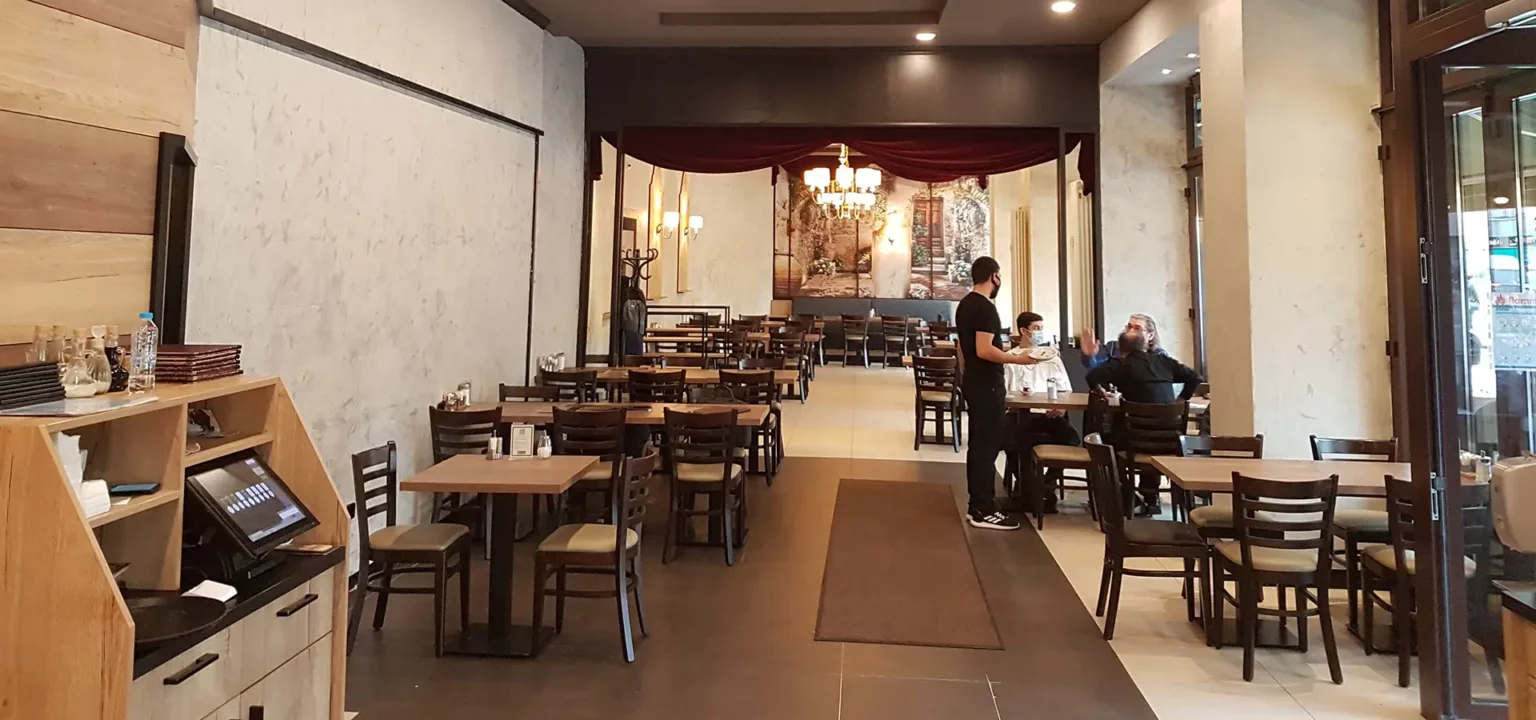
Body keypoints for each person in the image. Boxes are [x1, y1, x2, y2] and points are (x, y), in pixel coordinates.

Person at [956, 257, 1040, 531]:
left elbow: (963, 349)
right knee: (986, 446)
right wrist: (1018, 359)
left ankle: (978, 505)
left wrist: (966, 376)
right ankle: (983, 509)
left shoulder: (965, 304)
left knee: (979, 445)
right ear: (994, 276)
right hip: (987, 384)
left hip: (975, 381)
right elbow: (984, 349)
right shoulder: (985, 308)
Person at [1086, 328, 1203, 515]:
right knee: (1150, 435)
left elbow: (1092, 377)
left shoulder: (1121, 365)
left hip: (1133, 441)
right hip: (1170, 440)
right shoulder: (1164, 362)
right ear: (1146, 345)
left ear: (1121, 349)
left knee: (1106, 442)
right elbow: (1195, 377)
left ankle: (1127, 496)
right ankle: (1151, 497)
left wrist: (1101, 392)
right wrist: (1182, 398)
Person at [1004, 311, 1080, 514]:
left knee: (1071, 439)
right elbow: (1005, 393)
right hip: (1020, 414)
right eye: (1036, 328)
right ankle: (1027, 488)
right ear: (1024, 331)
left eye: (1041, 328)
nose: (1040, 332)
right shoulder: (1011, 359)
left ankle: (1046, 485)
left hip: (1049, 415)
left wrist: (1061, 407)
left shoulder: (1052, 358)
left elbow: (1066, 390)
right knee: (1011, 440)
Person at [1078, 313, 1166, 369]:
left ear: (1150, 335)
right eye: (1129, 327)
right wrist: (1090, 356)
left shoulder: (1158, 355)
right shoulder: (1112, 348)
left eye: (1137, 329)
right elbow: (1093, 366)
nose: (1131, 331)